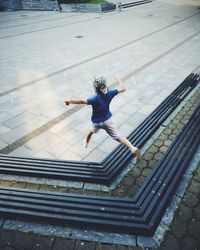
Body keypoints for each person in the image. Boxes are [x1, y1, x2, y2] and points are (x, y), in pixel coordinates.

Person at [64, 76, 142, 160]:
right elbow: (123, 88)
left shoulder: (95, 98)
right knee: (118, 136)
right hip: (107, 120)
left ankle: (86, 143)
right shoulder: (110, 93)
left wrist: (69, 101)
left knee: (91, 132)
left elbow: (82, 101)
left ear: (96, 88)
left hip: (97, 122)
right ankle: (132, 148)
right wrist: (119, 79)